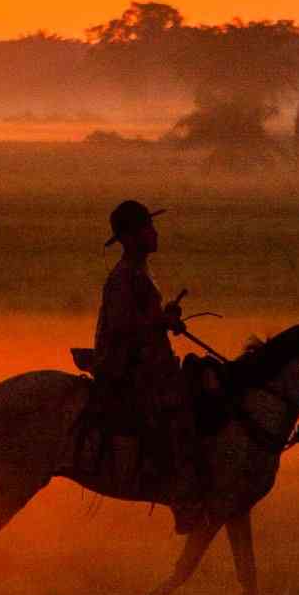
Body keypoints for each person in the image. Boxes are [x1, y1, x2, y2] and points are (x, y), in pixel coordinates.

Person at [93, 200, 206, 534]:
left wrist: (163, 318)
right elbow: (120, 327)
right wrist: (161, 321)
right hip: (127, 367)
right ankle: (174, 493)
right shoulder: (123, 276)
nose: (154, 234)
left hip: (147, 361)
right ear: (129, 237)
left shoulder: (139, 272)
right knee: (176, 411)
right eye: (147, 229)